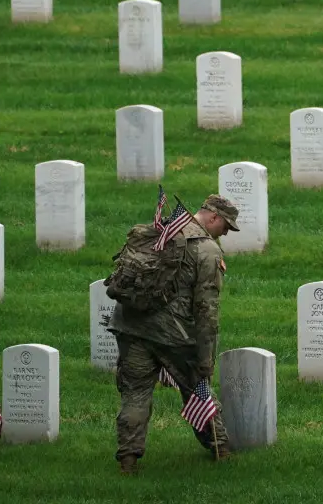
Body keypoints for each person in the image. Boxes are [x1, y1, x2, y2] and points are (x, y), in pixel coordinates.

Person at [108, 194, 240, 475]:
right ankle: (221, 449)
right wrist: (206, 359)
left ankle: (128, 461)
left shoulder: (158, 231)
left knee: (135, 394)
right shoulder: (206, 251)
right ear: (213, 217)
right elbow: (206, 310)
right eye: (226, 226)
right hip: (173, 333)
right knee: (197, 388)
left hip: (131, 325)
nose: (226, 232)